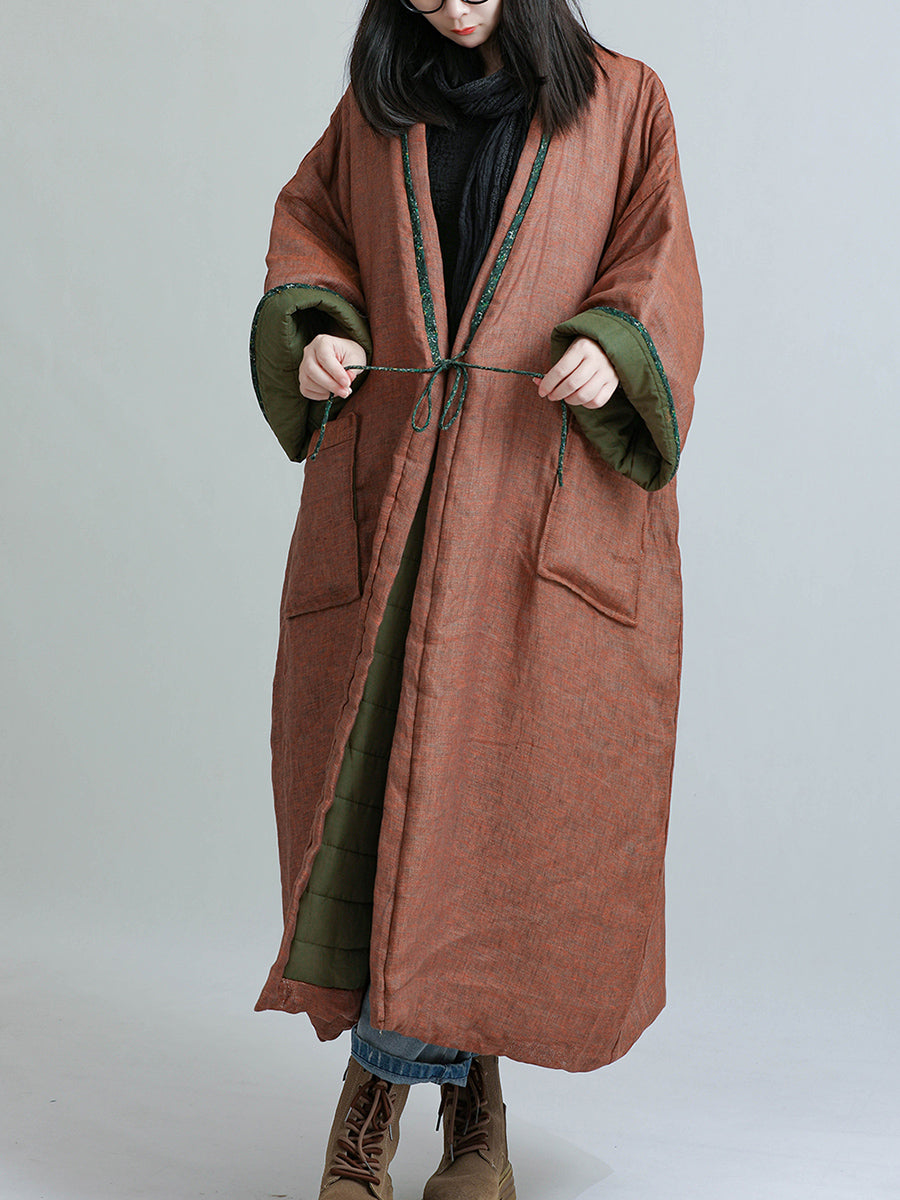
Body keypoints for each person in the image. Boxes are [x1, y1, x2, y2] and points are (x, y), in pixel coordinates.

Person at [249, 0, 703, 1196]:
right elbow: (311, 235)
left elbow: (657, 258)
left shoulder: (625, 100)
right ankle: (458, 1114)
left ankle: (407, 1110)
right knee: (394, 802)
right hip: (395, 508)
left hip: (528, 506)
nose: (446, 1)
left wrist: (615, 339)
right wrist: (320, 330)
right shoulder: (376, 113)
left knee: (487, 824)